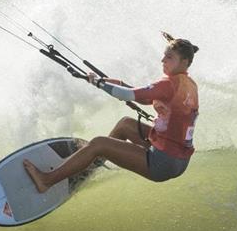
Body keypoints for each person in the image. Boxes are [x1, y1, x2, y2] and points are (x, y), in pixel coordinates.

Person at [23, 32, 200, 193]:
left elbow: (129, 94)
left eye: (169, 57)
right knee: (125, 124)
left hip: (162, 163)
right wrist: (107, 82)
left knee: (99, 143)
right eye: (163, 56)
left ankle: (47, 181)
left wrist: (98, 84)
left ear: (184, 62)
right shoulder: (189, 84)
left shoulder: (169, 84)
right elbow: (144, 97)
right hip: (178, 161)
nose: (163, 61)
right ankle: (89, 164)